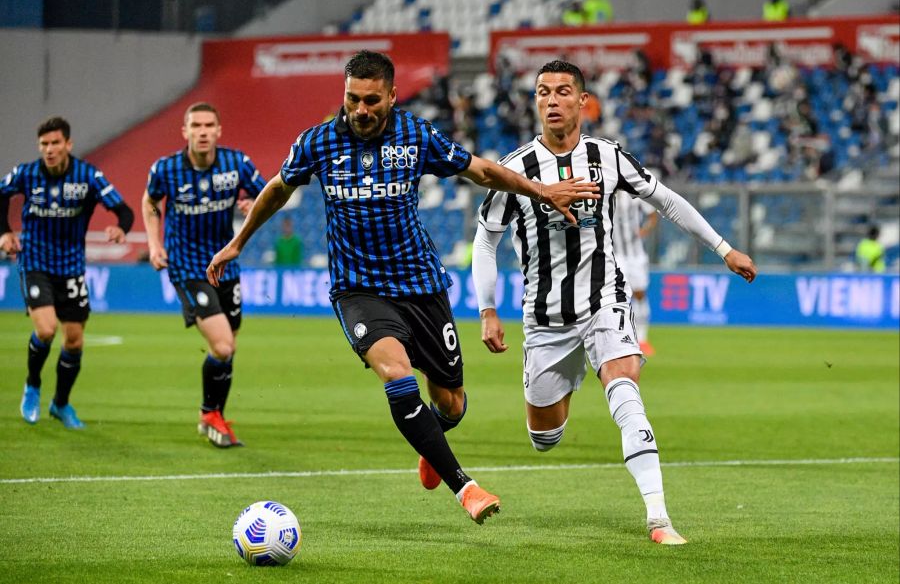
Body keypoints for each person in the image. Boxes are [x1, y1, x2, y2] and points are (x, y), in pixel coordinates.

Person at [207, 50, 598, 524]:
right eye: (353, 99)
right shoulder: (318, 142)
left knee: (451, 403)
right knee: (395, 373)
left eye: (372, 100)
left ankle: (431, 440)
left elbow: (480, 170)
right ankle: (465, 487)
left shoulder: (415, 135)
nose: (361, 110)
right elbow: (277, 189)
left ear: (391, 96)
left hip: (421, 286)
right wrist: (237, 243)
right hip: (358, 290)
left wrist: (540, 191)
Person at [471, 60, 757, 544]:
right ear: (535, 101)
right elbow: (485, 241)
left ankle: (659, 518)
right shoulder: (515, 168)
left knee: (625, 387)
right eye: (543, 92)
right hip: (544, 320)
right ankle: (574, 379)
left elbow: (666, 200)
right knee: (544, 437)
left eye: (564, 91)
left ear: (583, 102)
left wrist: (723, 249)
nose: (552, 100)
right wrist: (488, 310)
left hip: (604, 300)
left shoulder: (608, 156)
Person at [141, 102, 266, 448]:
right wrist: (154, 244)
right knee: (223, 345)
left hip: (225, 263)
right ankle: (209, 413)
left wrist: (250, 204)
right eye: (195, 125)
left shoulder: (236, 163)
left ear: (218, 130)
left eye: (209, 125)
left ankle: (214, 416)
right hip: (186, 266)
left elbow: (268, 192)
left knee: (229, 347)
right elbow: (150, 202)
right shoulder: (165, 169)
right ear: (185, 132)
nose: (203, 131)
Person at [0, 116, 134, 429]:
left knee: (73, 341)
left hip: (71, 268)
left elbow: (123, 210)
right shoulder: (26, 173)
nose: (49, 149)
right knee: (46, 330)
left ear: (68, 144)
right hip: (34, 262)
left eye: (55, 143)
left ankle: (60, 403)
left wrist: (121, 228)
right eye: (44, 144)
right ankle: (32, 385)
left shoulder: (88, 176)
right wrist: (5, 232)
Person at [613, 190, 658, 355]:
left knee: (639, 294)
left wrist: (643, 231)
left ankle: (643, 339)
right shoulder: (605, 192)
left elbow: (652, 215)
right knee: (619, 297)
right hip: (615, 254)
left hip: (635, 254)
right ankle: (621, 338)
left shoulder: (633, 194)